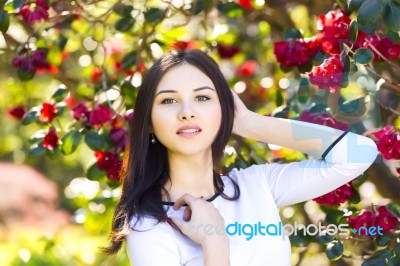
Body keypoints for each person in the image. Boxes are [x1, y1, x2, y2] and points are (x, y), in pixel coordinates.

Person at [102, 49, 378, 265]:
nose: (187, 111)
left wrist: (248, 122)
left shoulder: (257, 186)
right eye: (169, 100)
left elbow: (358, 154)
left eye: (202, 98)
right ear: (148, 121)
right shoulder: (149, 226)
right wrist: (215, 242)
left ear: (224, 110)